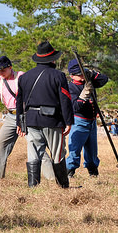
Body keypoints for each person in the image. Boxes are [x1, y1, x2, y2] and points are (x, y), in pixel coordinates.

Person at [0, 56, 55, 180]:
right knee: (0, 146)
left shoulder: (22, 76)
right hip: (11, 116)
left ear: (10, 67)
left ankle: (52, 178)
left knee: (36, 146)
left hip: (27, 115)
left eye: (3, 69)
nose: (1, 72)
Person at [16, 41, 74, 188]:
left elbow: (19, 102)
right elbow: (65, 100)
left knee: (33, 155)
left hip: (31, 121)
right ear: (52, 59)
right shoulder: (59, 76)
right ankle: (63, 187)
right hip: (52, 121)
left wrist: (19, 123)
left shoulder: (24, 77)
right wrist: (68, 121)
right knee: (57, 155)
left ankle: (33, 187)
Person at [65, 58, 109, 178]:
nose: (82, 76)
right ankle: (69, 173)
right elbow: (75, 107)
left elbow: (104, 79)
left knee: (92, 151)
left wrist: (92, 74)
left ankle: (93, 172)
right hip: (79, 121)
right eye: (80, 75)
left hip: (92, 122)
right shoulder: (71, 88)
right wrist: (83, 96)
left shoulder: (89, 81)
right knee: (74, 150)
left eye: (83, 73)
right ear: (72, 76)